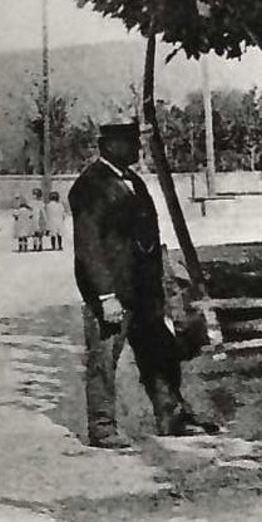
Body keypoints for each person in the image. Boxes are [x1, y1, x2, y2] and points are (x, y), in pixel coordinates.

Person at [69, 121, 215, 448]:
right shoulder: (89, 186)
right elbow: (89, 246)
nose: (137, 148)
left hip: (144, 292)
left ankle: (172, 417)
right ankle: (103, 429)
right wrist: (105, 296)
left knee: (159, 353)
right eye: (130, 142)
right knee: (104, 360)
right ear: (108, 145)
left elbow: (149, 238)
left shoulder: (134, 181)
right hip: (112, 294)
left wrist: (161, 283)